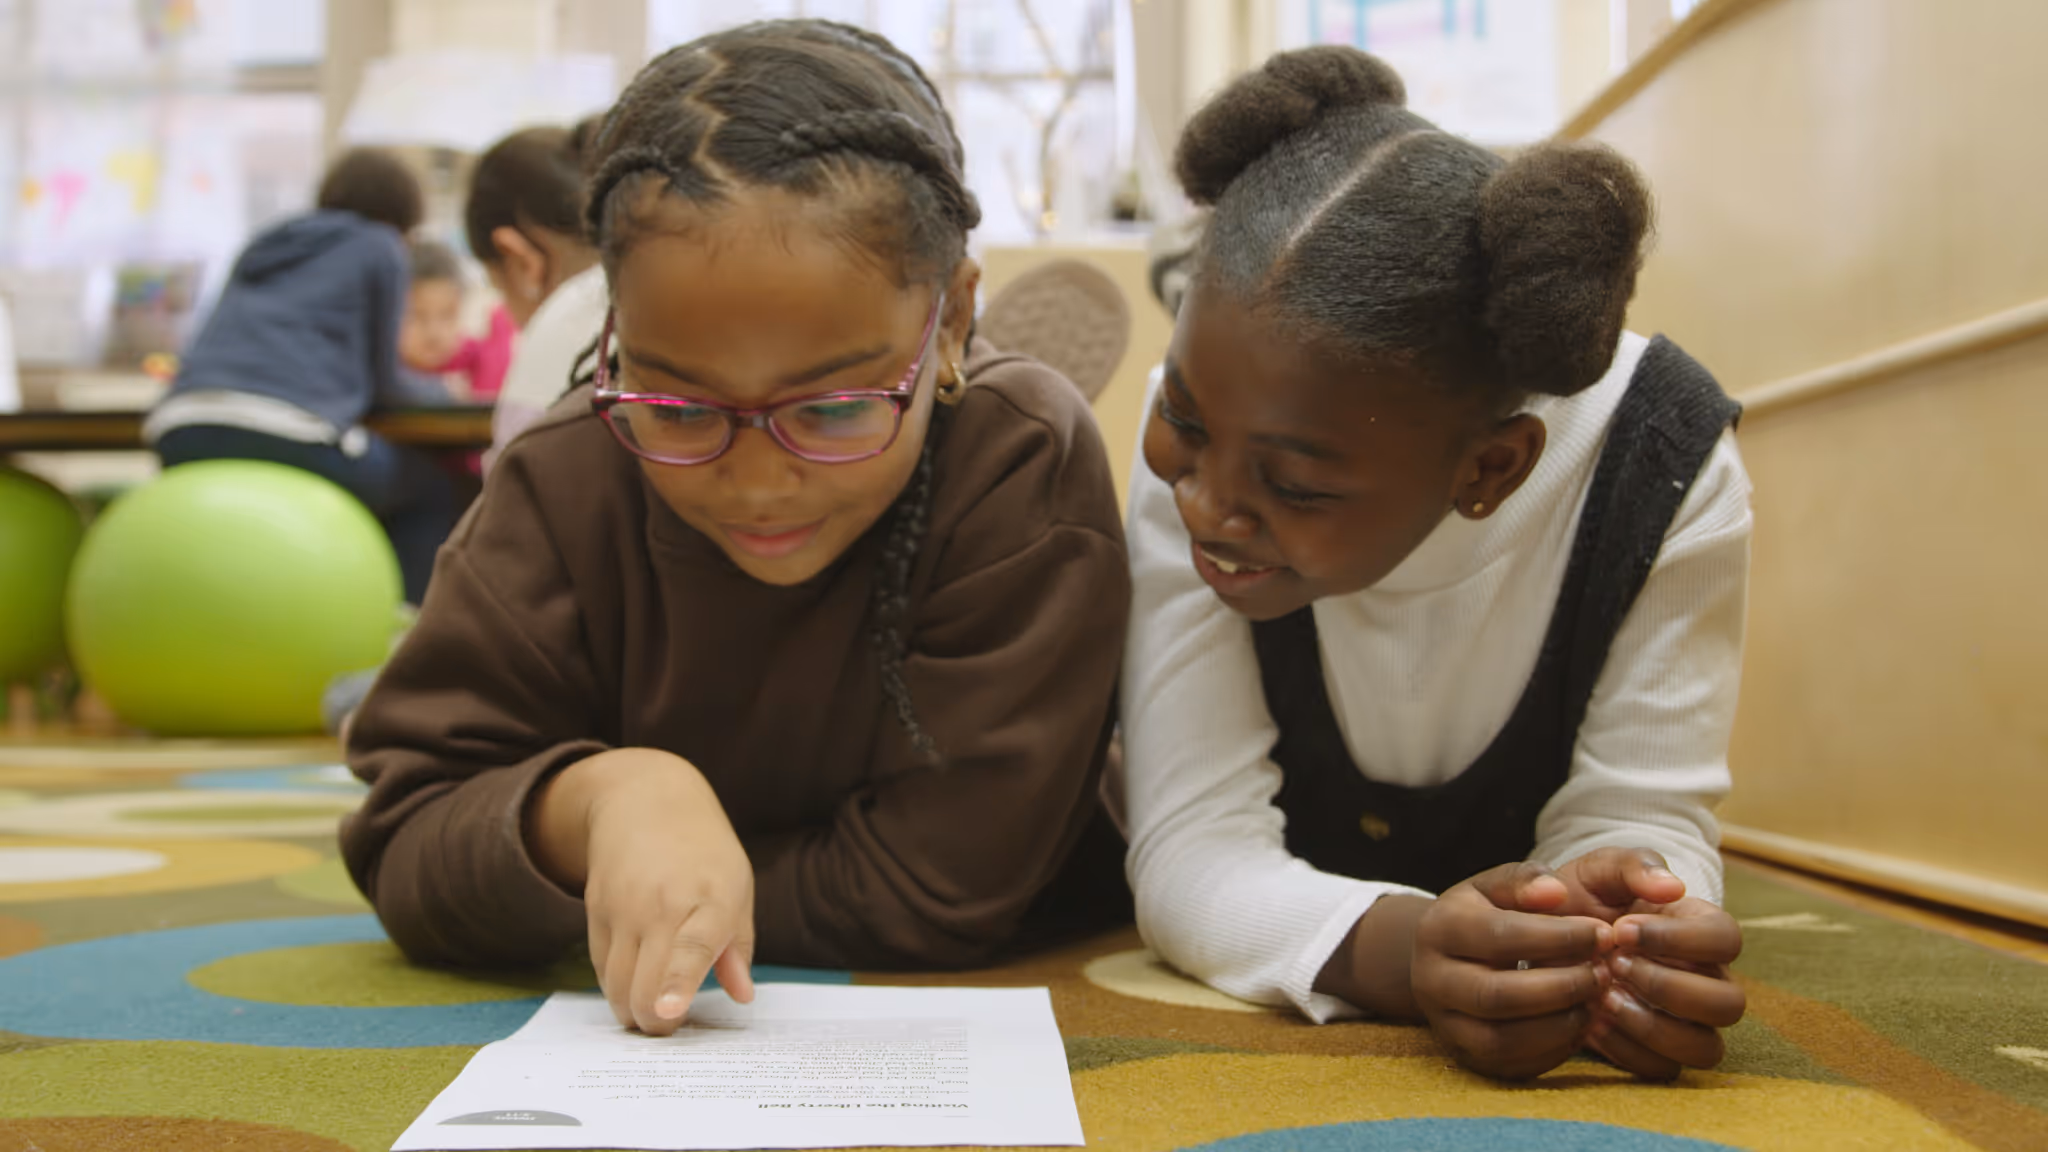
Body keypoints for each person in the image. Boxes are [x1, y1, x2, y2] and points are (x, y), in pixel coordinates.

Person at [341, 19, 1131, 1037]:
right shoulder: (567, 470)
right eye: (679, 409)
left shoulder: (1013, 460)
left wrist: (663, 889)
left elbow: (936, 892)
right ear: (611, 331)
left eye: (834, 408)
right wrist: (606, 804)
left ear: (952, 326)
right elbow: (402, 841)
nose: (756, 483)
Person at [1118, 46, 1752, 1082]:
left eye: (1295, 487)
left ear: (1491, 469)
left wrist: (1628, 937)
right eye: (1179, 423)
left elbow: (1641, 813)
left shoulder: (1660, 468)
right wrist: (1412, 957)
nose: (1201, 502)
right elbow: (1188, 850)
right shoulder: (1211, 434)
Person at [146, 148, 456, 605]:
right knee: (434, 489)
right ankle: (406, 641)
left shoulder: (267, 242)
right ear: (404, 220)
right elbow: (387, 387)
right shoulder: (380, 245)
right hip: (285, 432)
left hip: (180, 427)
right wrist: (443, 394)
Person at [462, 122, 610, 467]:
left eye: (497, 285)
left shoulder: (563, 324)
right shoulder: (657, 297)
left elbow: (510, 508)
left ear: (521, 260)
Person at [400, 238, 514, 402]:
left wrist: (500, 330)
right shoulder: (386, 370)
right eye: (417, 315)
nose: (434, 332)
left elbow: (489, 407)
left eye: (447, 315)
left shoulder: (471, 358)